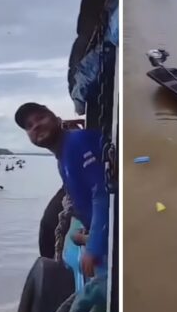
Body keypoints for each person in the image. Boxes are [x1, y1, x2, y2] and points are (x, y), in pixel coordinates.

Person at [15, 102, 109, 277]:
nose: (35, 126)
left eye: (40, 118)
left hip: (116, 234)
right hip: (102, 231)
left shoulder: (76, 142)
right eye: (29, 126)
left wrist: (94, 247)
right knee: (66, 232)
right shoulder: (62, 158)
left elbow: (102, 192)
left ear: (58, 120)